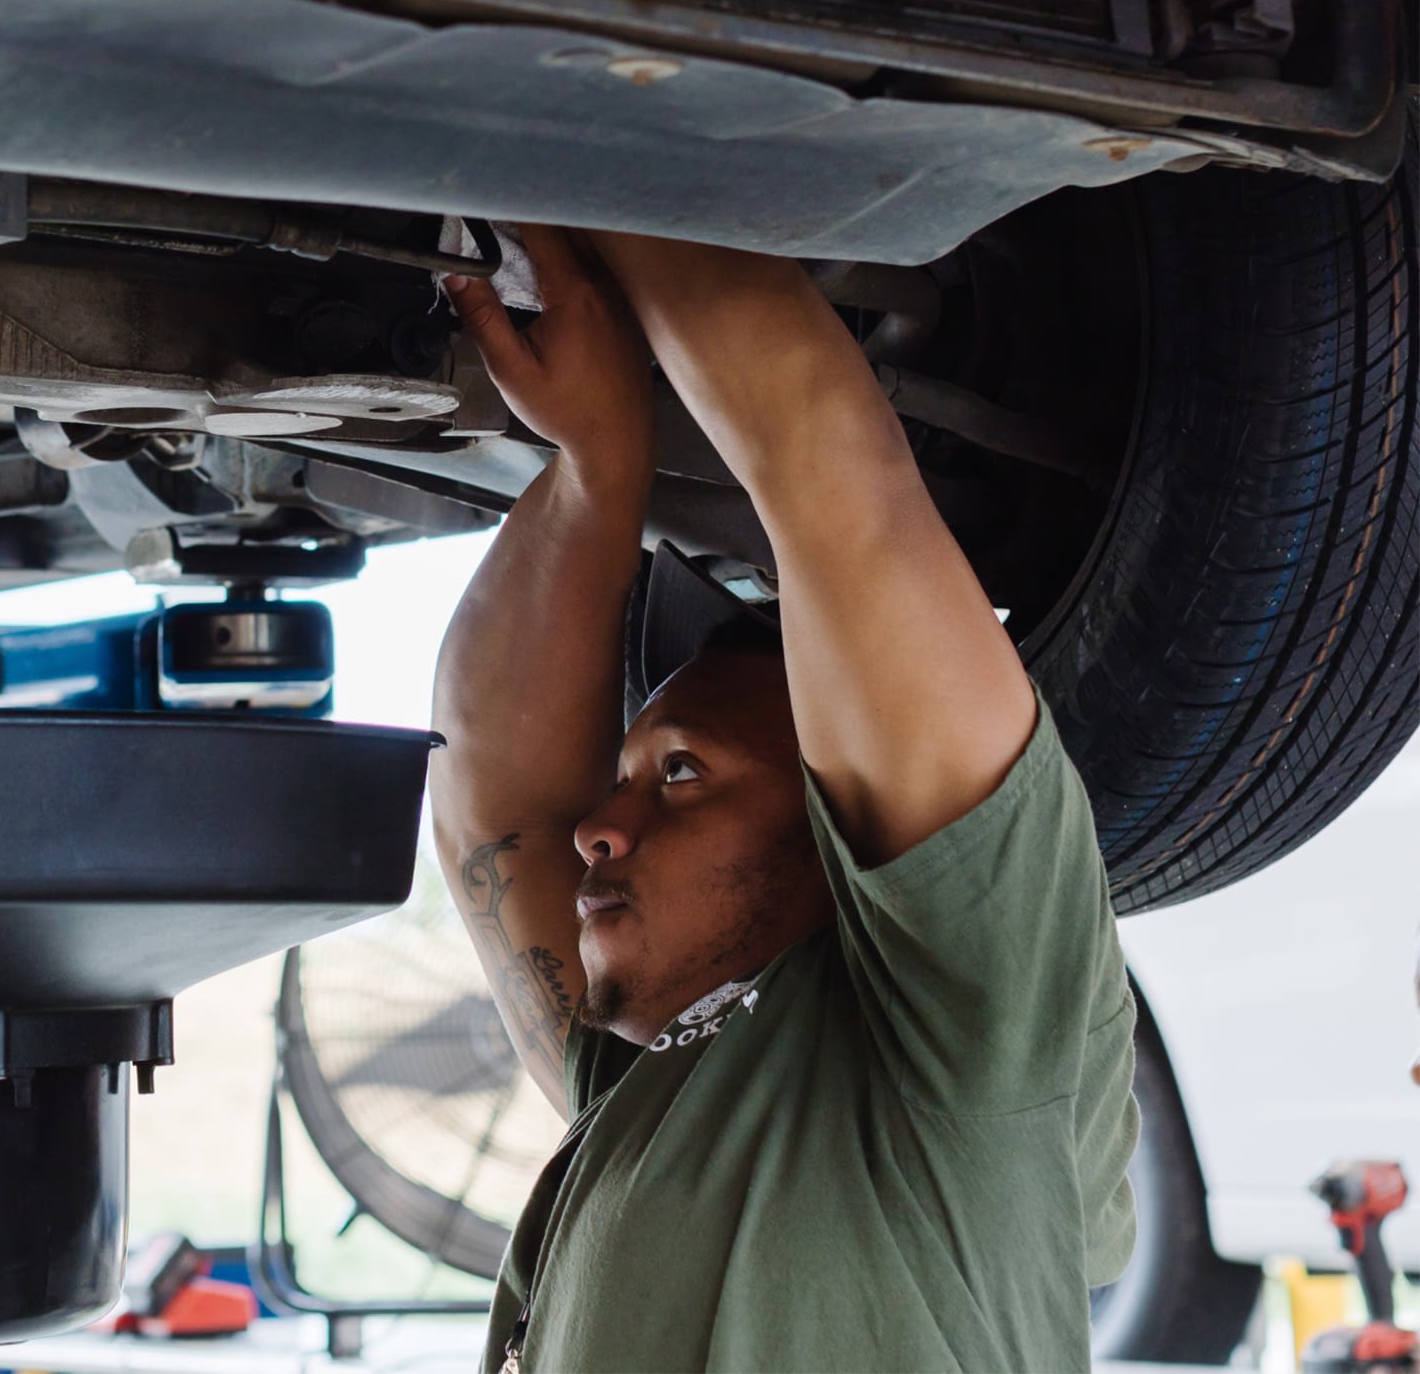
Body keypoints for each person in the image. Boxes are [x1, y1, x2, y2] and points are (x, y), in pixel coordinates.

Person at [428, 227, 1138, 1372]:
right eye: (667, 776)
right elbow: (832, 479)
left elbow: (490, 805)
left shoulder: (672, 1081)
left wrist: (598, 463)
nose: (596, 828)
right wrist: (600, 133)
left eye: (669, 774)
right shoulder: (969, 1052)